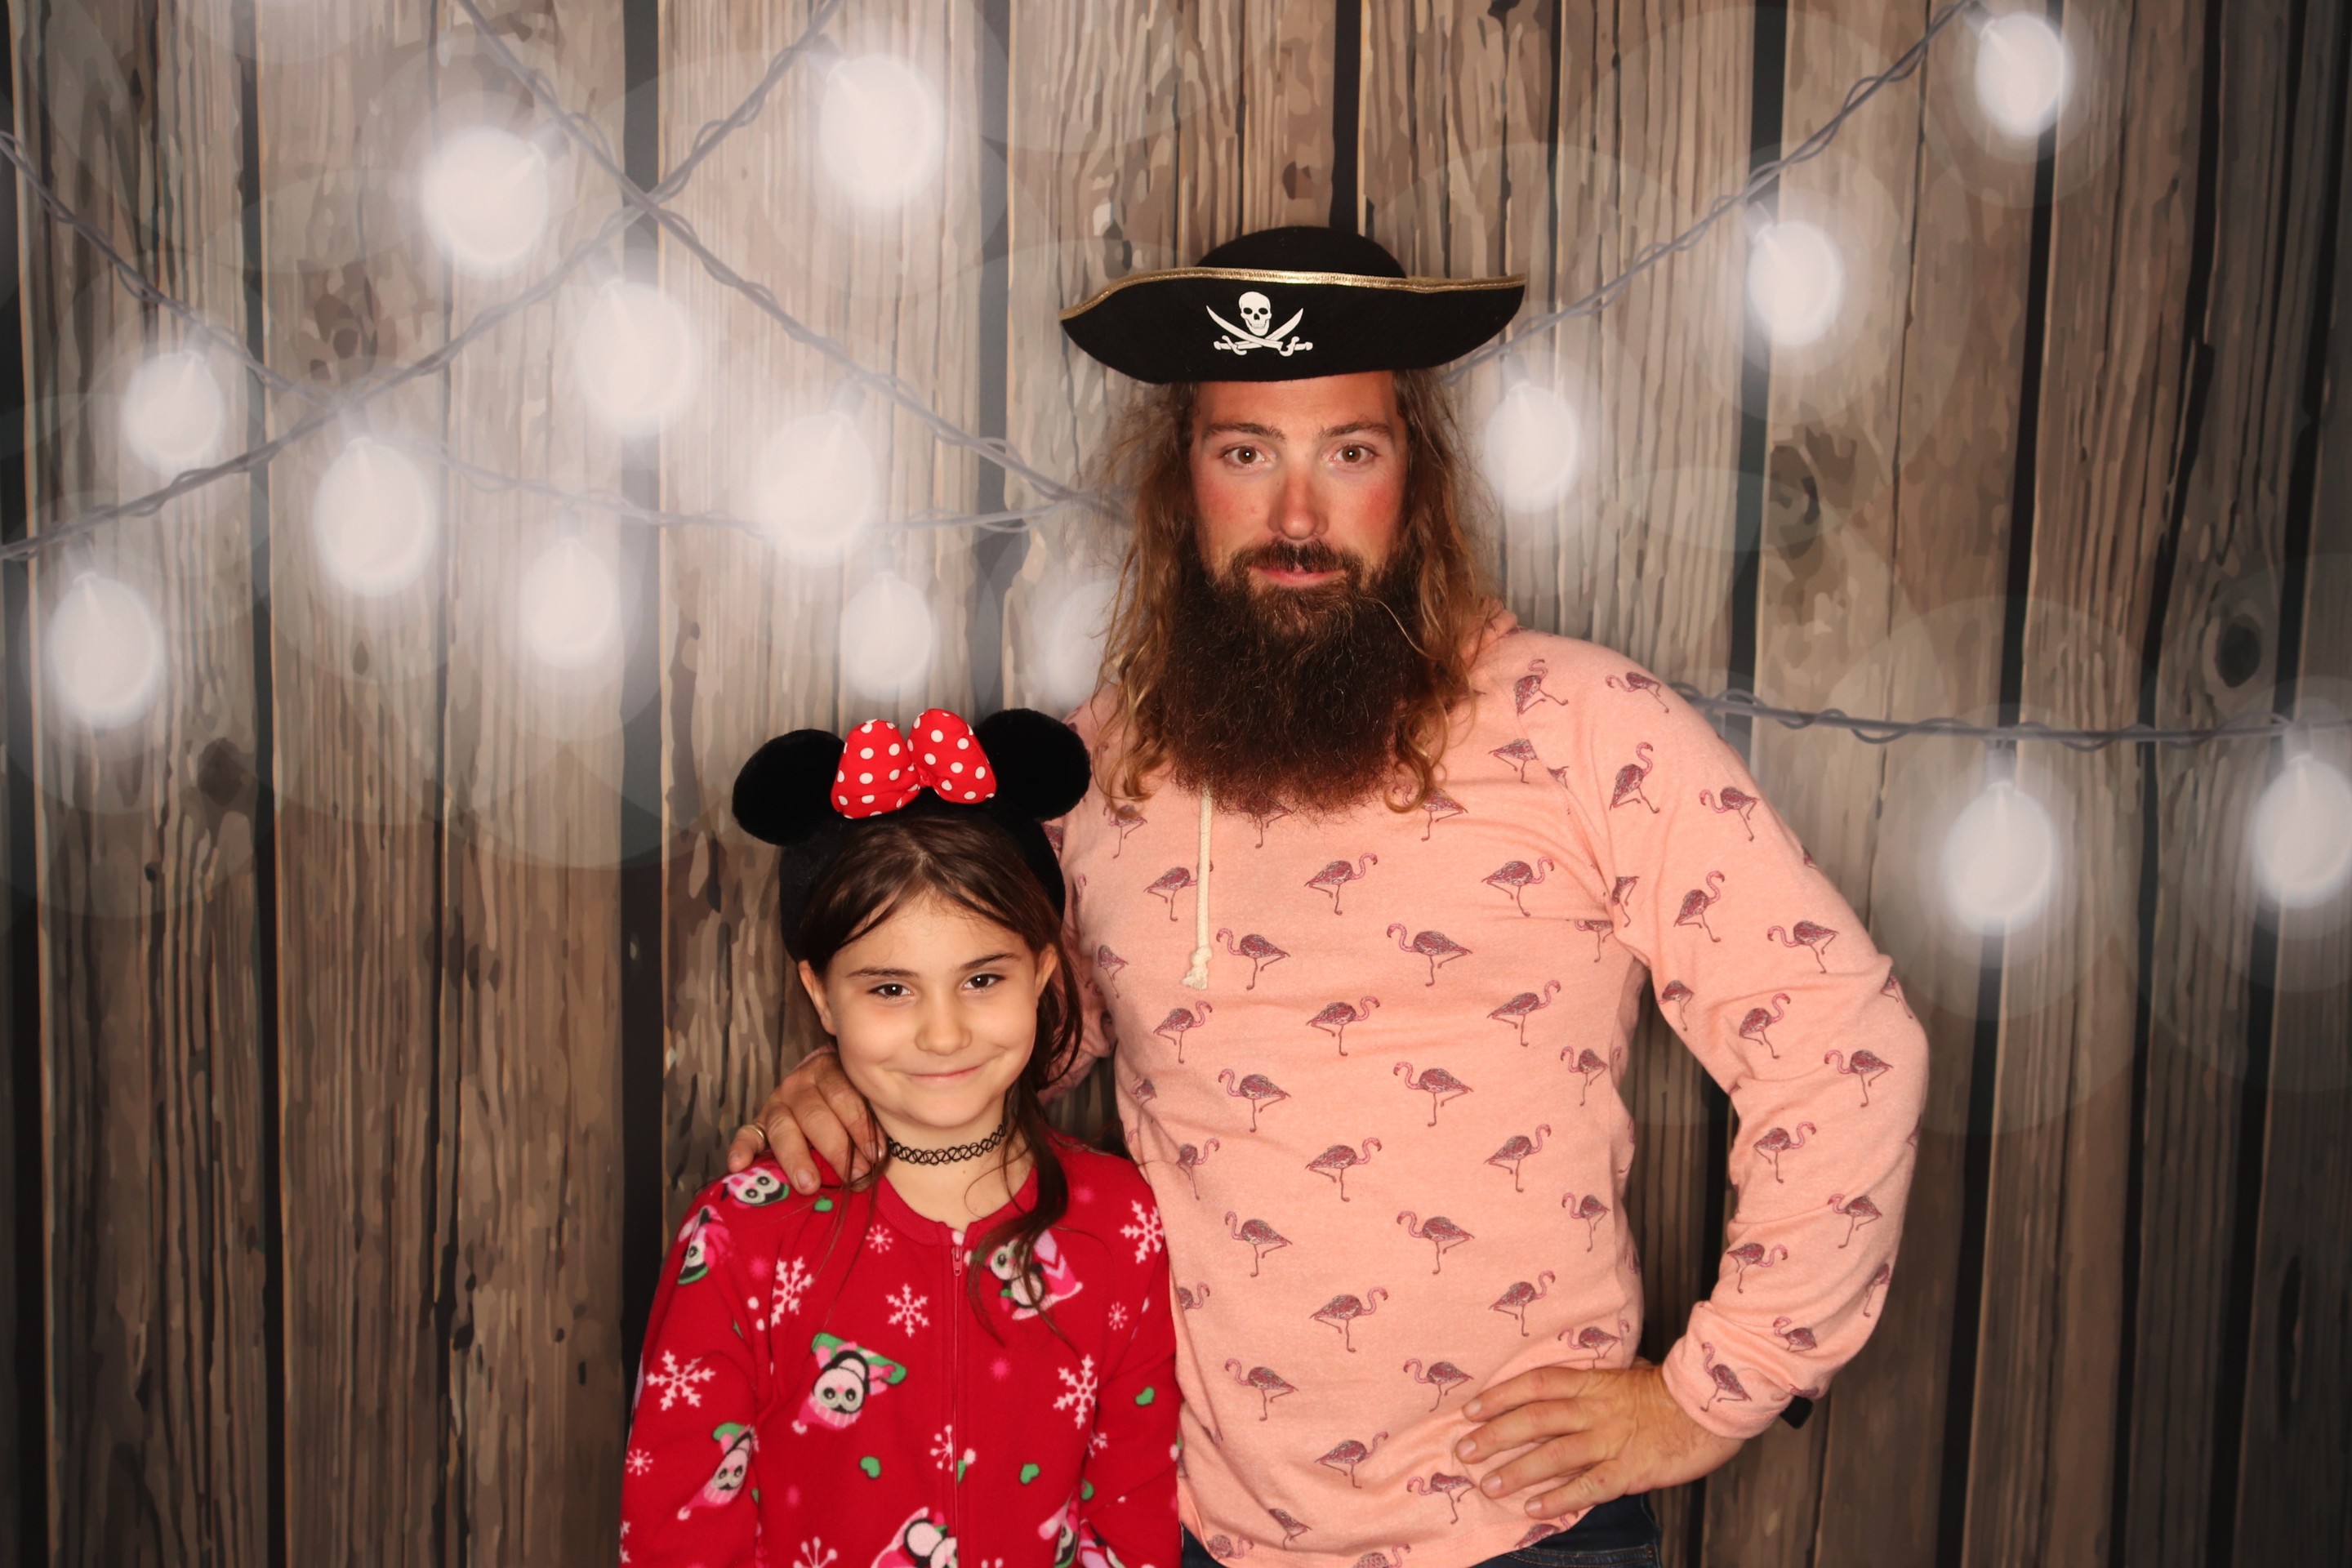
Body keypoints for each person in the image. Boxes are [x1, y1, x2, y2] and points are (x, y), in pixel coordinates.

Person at [728, 226, 1929, 1567]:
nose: (1297, 518)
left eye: (1348, 453)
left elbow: (1842, 1041)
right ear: (1183, 487)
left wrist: (1712, 1395)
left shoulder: (1590, 728)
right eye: (1247, 454)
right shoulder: (1102, 773)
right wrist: (860, 1081)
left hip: (1528, 1533)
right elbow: (1018, 1032)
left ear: (1415, 479)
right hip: (1195, 1527)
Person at [623, 707, 1178, 1567]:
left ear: (1042, 970)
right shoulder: (740, 1240)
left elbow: (1134, 1520)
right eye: (890, 989)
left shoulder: (1120, 1225)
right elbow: (680, 1537)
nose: (943, 1034)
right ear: (821, 993)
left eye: (982, 980)